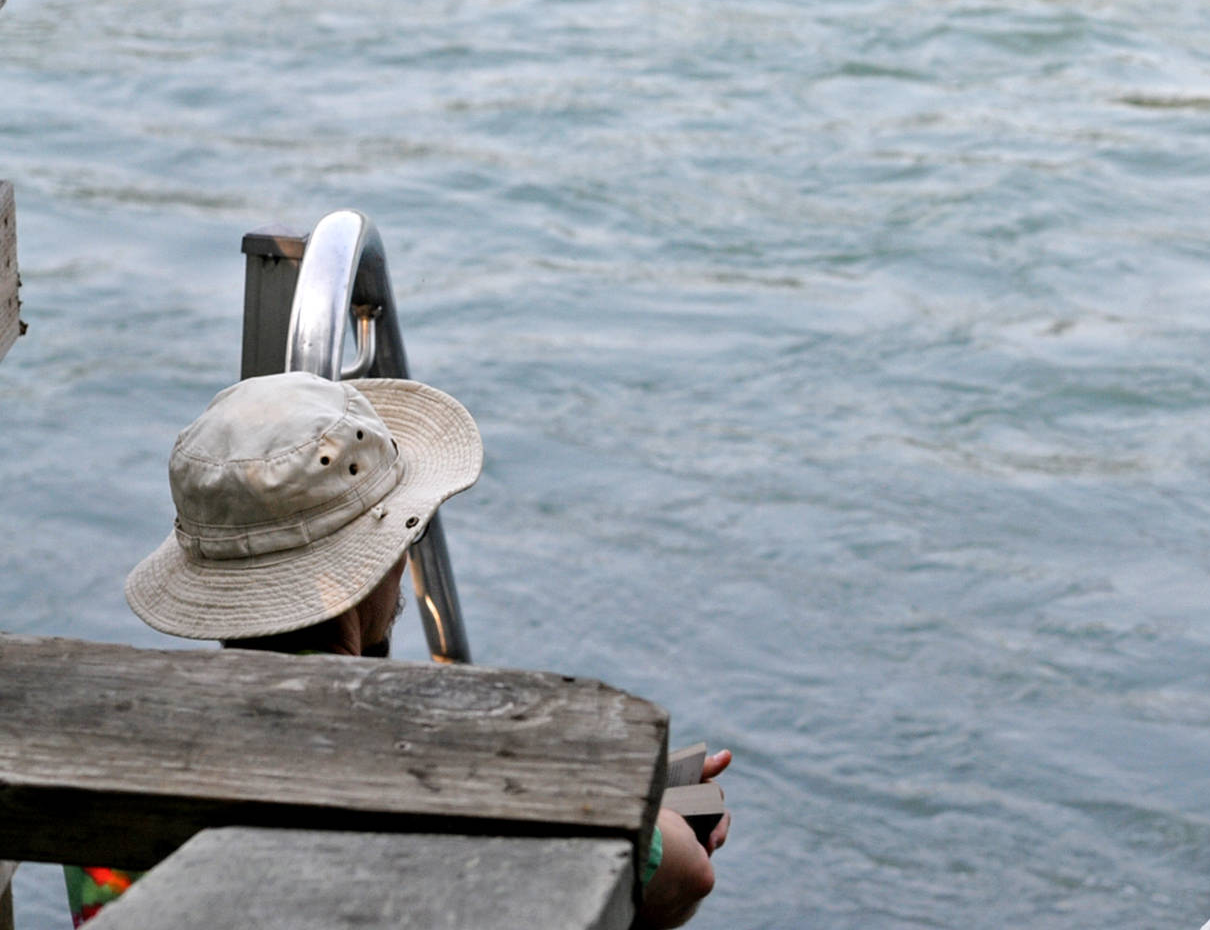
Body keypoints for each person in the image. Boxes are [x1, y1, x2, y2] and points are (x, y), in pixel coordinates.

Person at [70, 371, 729, 928]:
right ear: (383, 558)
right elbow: (685, 877)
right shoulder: (443, 748)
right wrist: (626, 797)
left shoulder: (110, 745)